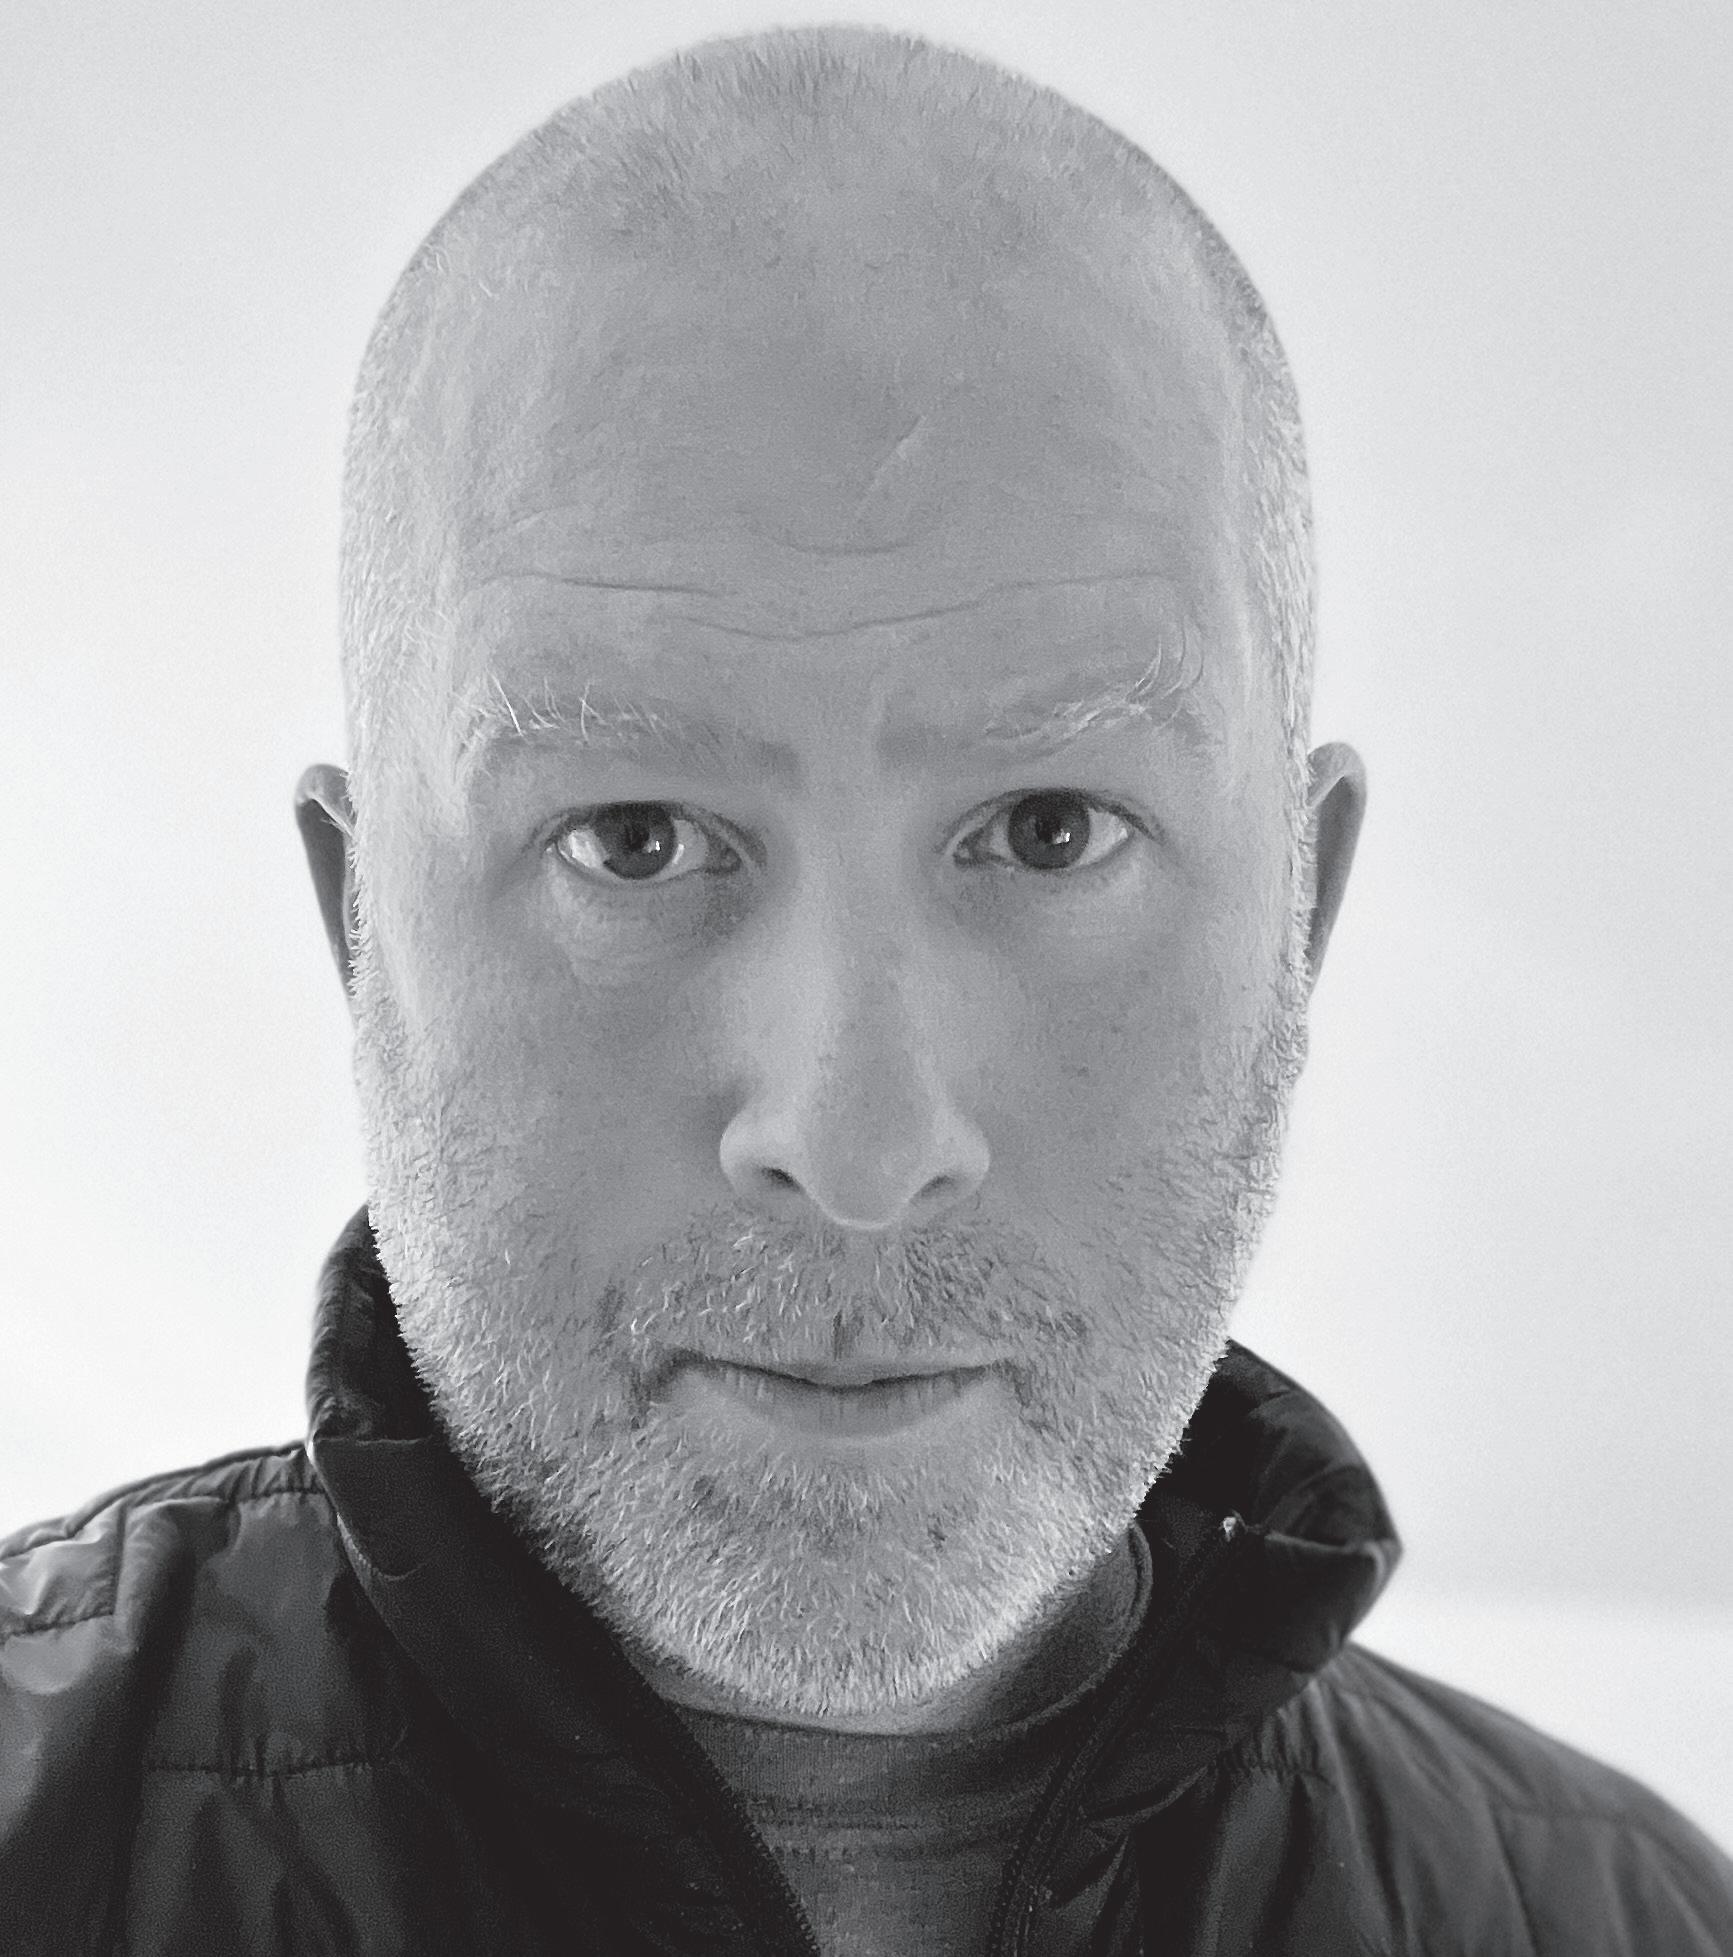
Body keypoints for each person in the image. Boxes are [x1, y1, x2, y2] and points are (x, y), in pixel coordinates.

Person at [3, 24, 1729, 1955]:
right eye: (632, 838)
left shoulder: (1624, 1920)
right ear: (356, 923)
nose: (855, 1142)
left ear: (1298, 916)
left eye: (1051, 831)